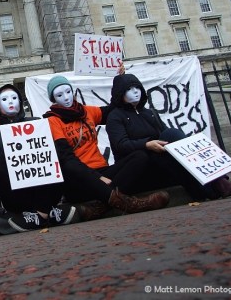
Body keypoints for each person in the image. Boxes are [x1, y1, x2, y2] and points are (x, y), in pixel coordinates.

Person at [43, 75, 170, 219]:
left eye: (68, 92)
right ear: (53, 99)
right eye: (59, 95)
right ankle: (132, 204)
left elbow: (113, 108)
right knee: (69, 168)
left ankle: (100, 207)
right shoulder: (52, 120)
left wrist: (120, 79)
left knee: (140, 156)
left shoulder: (86, 111)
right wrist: (96, 177)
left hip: (103, 171)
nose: (66, 98)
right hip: (80, 177)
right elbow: (67, 160)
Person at [106, 73, 231, 200]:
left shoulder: (150, 113)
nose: (135, 91)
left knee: (172, 136)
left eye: (137, 87)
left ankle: (214, 184)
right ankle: (216, 184)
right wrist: (147, 144)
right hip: (140, 166)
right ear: (120, 93)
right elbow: (120, 145)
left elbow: (166, 136)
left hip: (159, 159)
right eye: (129, 89)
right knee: (171, 140)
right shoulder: (115, 117)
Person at [0, 84, 76, 232]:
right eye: (4, 99)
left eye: (14, 98)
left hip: (43, 188)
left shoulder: (37, 122)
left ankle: (41, 213)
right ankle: (44, 213)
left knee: (56, 157)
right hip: (16, 192)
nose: (11, 102)